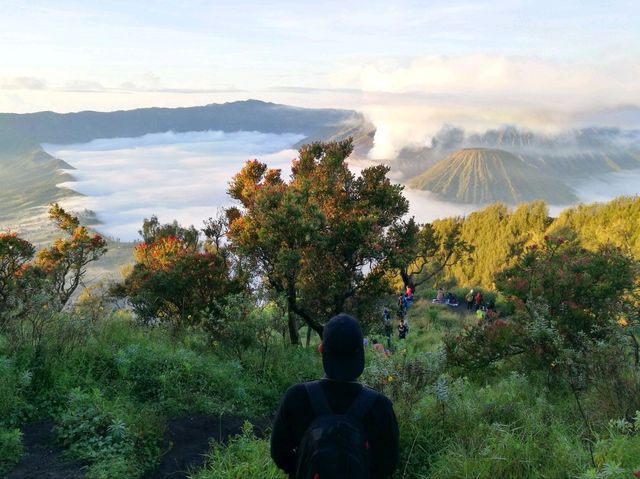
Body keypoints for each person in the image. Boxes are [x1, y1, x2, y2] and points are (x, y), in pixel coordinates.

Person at [271, 314, 399, 478]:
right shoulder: (380, 406)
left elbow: (280, 455)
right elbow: (387, 465)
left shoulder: (296, 397)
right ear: (362, 351)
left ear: (321, 350)